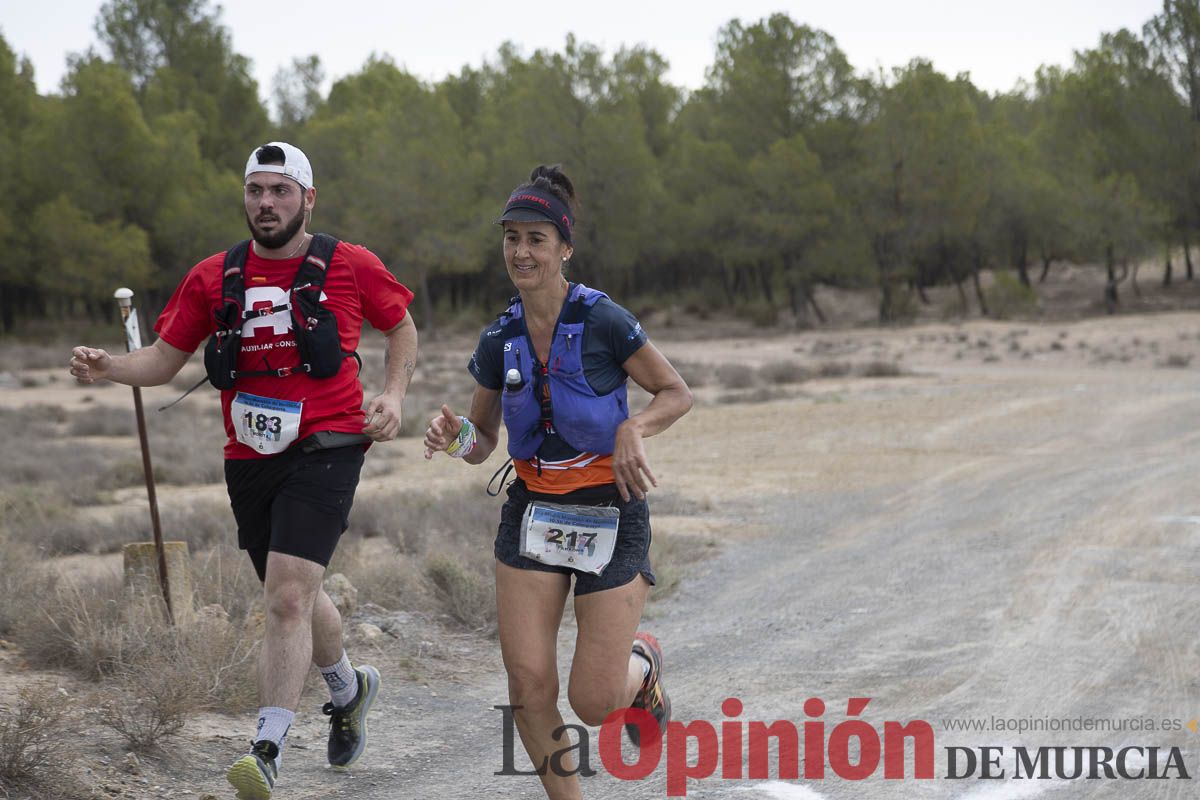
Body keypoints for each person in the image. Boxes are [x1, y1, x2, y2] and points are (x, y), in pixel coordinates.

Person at [69, 142, 418, 800]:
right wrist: (108, 368)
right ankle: (349, 689)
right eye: (256, 190)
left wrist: (394, 396)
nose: (265, 203)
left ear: (307, 199)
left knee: (286, 597)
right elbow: (164, 361)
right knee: (300, 594)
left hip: (331, 443)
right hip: (250, 455)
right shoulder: (214, 276)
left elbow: (402, 328)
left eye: (279, 191)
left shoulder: (349, 264)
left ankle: (266, 751)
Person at [423, 165, 692, 799]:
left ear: (564, 246)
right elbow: (484, 440)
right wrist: (455, 437)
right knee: (529, 686)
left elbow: (676, 393)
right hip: (533, 513)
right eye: (511, 238)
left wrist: (635, 429)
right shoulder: (500, 337)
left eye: (536, 238)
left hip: (611, 509)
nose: (521, 252)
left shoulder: (603, 320)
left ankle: (641, 668)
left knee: (594, 702)